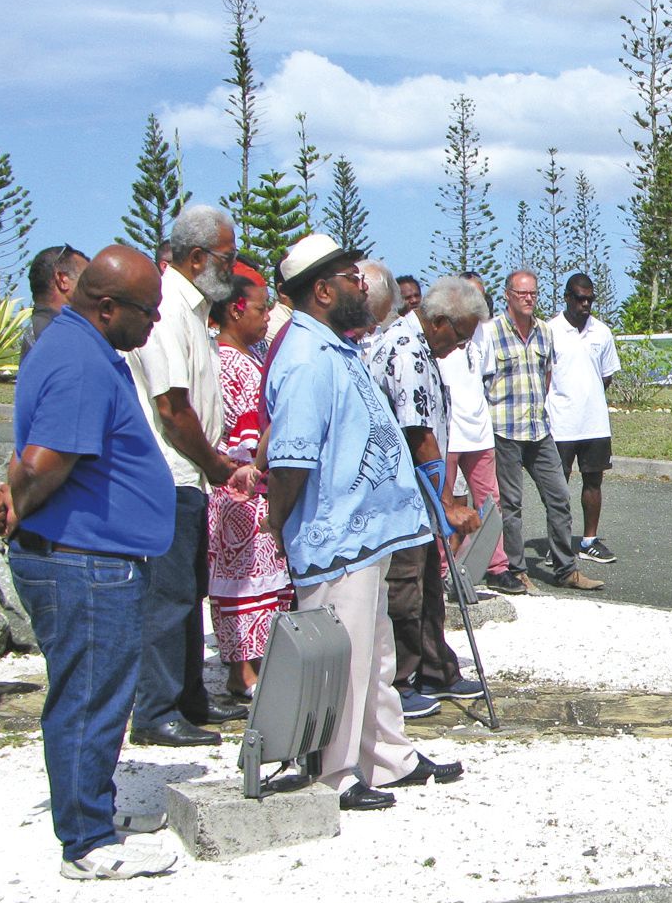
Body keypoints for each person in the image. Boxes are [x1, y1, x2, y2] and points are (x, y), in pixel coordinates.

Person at [264, 234, 464, 811]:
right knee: (342, 659)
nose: (362, 286)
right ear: (322, 291)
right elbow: (292, 458)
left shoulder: (336, 348)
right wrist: (278, 527)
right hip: (336, 535)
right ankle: (334, 770)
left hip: (367, 532)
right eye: (351, 278)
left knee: (374, 654)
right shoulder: (305, 358)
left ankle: (388, 756)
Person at [0, 245, 180, 878]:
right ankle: (87, 840)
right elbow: (48, 460)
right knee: (89, 695)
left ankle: (92, 807)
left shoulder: (80, 346)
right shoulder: (80, 359)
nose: (154, 324)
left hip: (93, 555)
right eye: (147, 312)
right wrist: (13, 503)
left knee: (99, 689)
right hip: (84, 560)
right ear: (107, 307)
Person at [128, 204, 254, 747]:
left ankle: (188, 700)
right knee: (169, 595)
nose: (231, 268)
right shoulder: (168, 310)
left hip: (188, 476)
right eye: (226, 258)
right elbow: (173, 409)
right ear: (198, 256)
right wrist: (217, 464)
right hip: (169, 473)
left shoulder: (193, 310)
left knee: (190, 591)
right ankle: (156, 711)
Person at [366, 276, 487, 717]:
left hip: (418, 491)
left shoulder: (423, 343)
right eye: (458, 336)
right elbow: (418, 436)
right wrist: (449, 503)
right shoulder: (407, 351)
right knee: (406, 585)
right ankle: (401, 680)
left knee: (431, 578)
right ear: (438, 321)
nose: (458, 347)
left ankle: (437, 668)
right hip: (399, 491)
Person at [485, 270, 603, 592]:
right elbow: (482, 383)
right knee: (511, 505)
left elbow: (546, 376)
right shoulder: (490, 333)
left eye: (533, 294)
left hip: (538, 429)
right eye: (522, 293)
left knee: (559, 496)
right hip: (505, 431)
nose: (528, 299)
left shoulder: (543, 332)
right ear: (508, 294)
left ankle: (566, 569)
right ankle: (516, 569)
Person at [206, 262, 292, 701]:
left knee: (265, 584)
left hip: (253, 489)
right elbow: (243, 436)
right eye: (261, 308)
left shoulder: (248, 359)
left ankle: (254, 667)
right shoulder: (227, 364)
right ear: (236, 310)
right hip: (241, 490)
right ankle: (243, 672)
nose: (267, 315)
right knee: (244, 586)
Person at [547, 273, 623, 564]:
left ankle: (589, 541)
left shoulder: (601, 332)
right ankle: (557, 543)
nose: (586, 304)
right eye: (580, 298)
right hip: (561, 423)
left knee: (594, 482)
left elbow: (606, 376)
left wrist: (587, 398)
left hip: (594, 424)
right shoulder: (550, 330)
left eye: (590, 298)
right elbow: (545, 376)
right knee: (558, 486)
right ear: (567, 297)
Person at [440, 272, 508, 589]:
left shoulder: (486, 333)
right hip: (449, 430)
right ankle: (441, 567)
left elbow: (486, 376)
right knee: (445, 501)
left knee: (489, 499)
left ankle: (496, 565)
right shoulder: (443, 330)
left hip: (479, 428)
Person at [20, 244, 89, 362]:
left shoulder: (39, 329)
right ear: (63, 280)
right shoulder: (61, 336)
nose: (95, 286)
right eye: (87, 277)